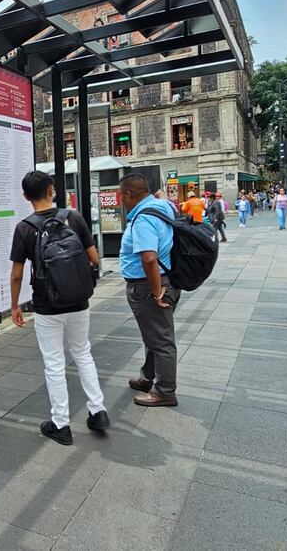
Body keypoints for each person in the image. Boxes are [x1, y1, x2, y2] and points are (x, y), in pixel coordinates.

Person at [9, 171, 109, 445]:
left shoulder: (24, 228)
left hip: (46, 305)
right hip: (79, 301)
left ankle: (61, 424)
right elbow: (93, 257)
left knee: (54, 362)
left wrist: (14, 305)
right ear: (52, 190)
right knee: (82, 353)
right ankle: (97, 410)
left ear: (26, 196)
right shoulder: (73, 218)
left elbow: (17, 274)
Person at [118, 173, 180, 407]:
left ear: (128, 194)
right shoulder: (162, 205)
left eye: (122, 196)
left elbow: (149, 258)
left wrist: (156, 292)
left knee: (161, 339)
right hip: (166, 280)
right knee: (154, 335)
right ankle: (147, 378)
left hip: (149, 285)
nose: (121, 201)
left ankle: (165, 391)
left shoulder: (143, 219)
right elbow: (163, 195)